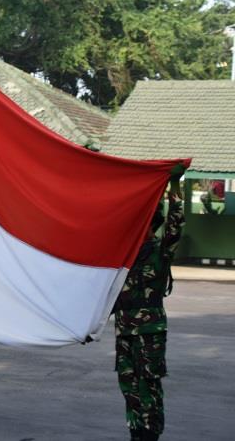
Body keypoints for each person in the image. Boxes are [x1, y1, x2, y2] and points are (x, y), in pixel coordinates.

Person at [113, 176, 184, 441]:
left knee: (149, 384)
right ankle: (136, 431)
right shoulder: (124, 254)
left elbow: (176, 224)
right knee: (128, 383)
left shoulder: (160, 252)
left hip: (149, 330)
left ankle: (150, 433)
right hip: (125, 328)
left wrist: (174, 184)